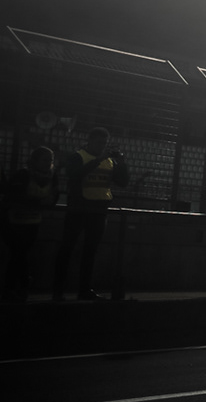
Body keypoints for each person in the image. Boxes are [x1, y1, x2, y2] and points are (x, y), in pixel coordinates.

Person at [54, 127, 125, 300]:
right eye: (99, 143)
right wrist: (97, 160)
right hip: (78, 209)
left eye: (104, 143)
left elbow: (123, 182)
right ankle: (58, 290)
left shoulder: (109, 161)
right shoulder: (78, 157)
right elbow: (73, 175)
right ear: (90, 141)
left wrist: (122, 163)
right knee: (67, 249)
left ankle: (84, 290)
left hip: (99, 211)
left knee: (90, 251)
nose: (102, 146)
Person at [5, 146, 60, 301]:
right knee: (18, 253)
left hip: (32, 221)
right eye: (45, 160)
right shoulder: (23, 175)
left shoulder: (52, 177)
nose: (48, 163)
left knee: (20, 254)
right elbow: (13, 196)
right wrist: (38, 202)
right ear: (35, 161)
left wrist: (43, 202)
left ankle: (16, 287)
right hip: (13, 221)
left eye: (50, 160)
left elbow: (54, 197)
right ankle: (19, 285)